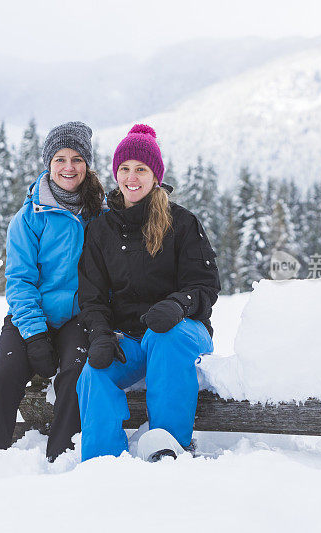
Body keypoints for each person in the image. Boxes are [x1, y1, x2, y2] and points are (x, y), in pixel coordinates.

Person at [75, 124, 220, 461]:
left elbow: (205, 286)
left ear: (155, 175)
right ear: (116, 174)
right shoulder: (101, 230)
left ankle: (170, 445)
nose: (132, 176)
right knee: (94, 372)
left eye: (141, 168)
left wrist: (177, 306)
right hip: (131, 337)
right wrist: (99, 335)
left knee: (166, 338)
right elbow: (92, 295)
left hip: (183, 332)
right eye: (124, 168)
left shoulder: (182, 223)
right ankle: (102, 460)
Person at [0, 121, 105, 461]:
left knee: (75, 375)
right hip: (30, 316)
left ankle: (62, 457)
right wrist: (34, 336)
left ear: (87, 164)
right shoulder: (29, 217)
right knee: (4, 376)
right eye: (60, 159)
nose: (68, 167)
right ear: (48, 163)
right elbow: (19, 282)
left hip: (78, 317)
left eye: (77, 159)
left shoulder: (99, 214)